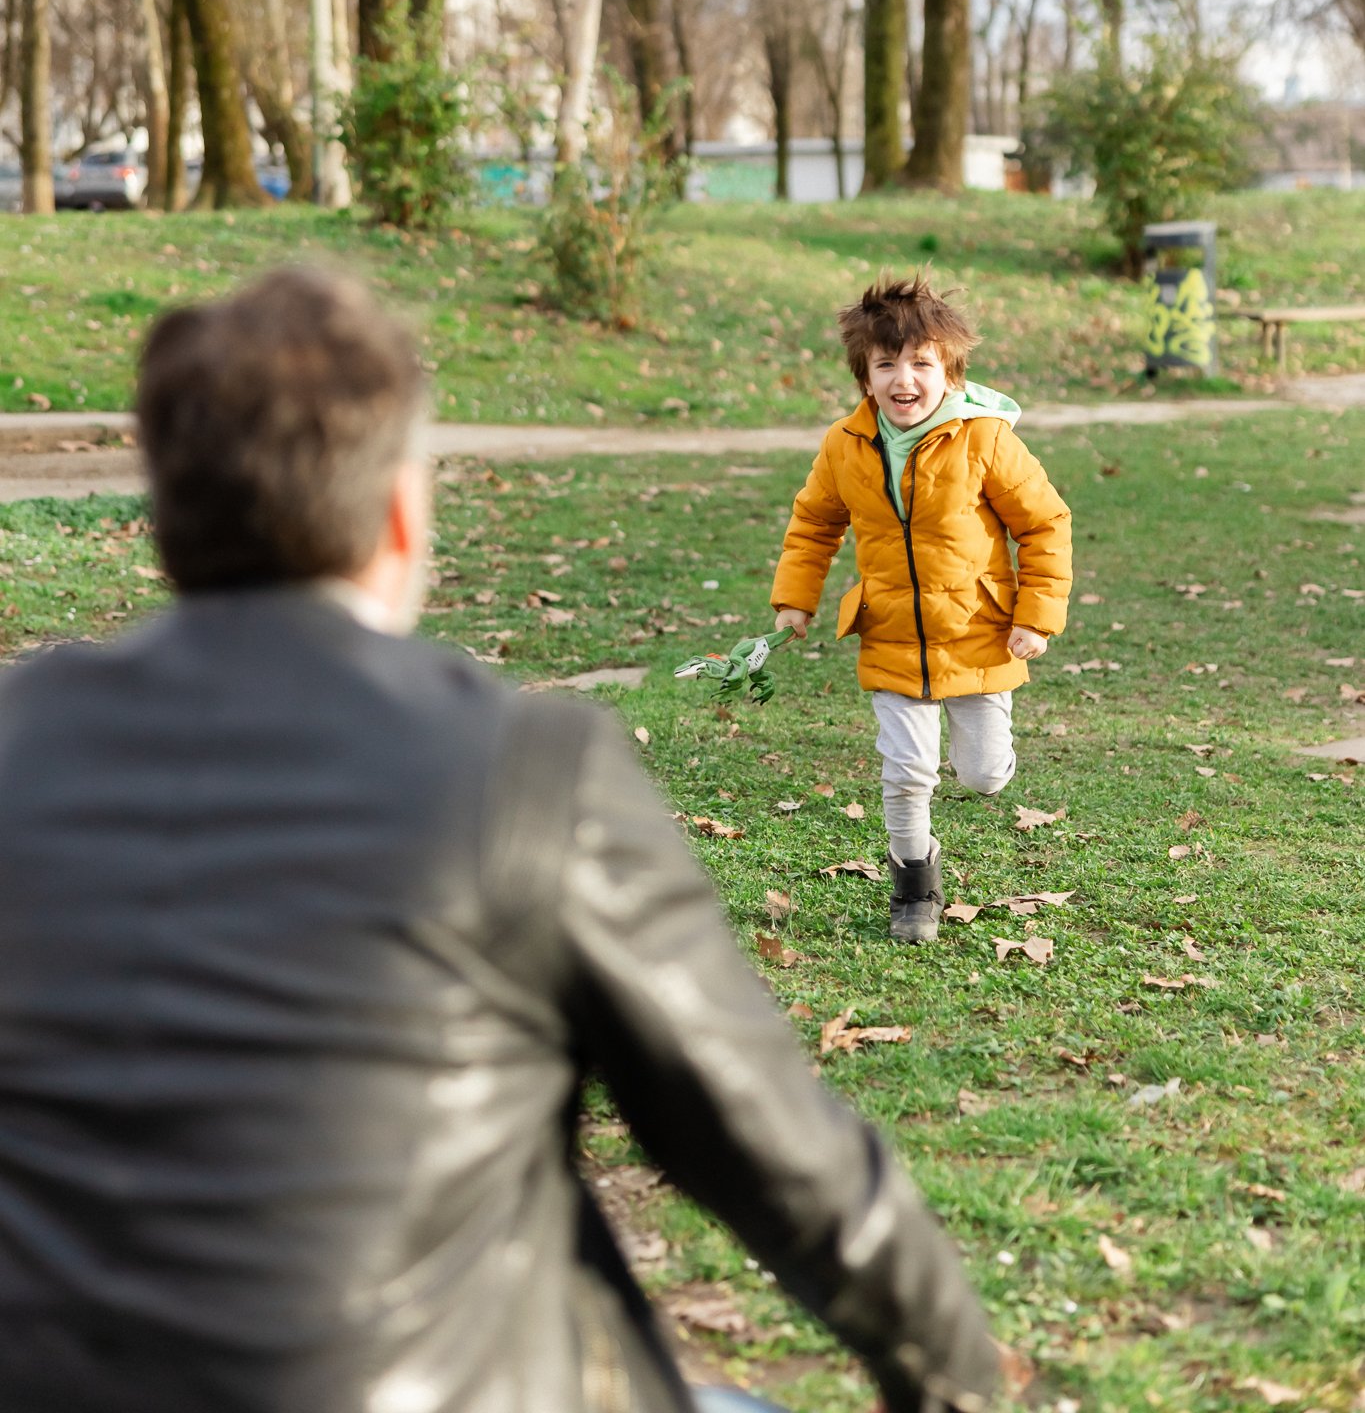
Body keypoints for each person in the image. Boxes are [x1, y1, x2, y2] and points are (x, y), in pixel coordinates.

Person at [0, 266, 1000, 1413]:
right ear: (398, 514)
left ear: (165, 524)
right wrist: (947, 1380)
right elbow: (779, 1154)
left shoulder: (17, 738)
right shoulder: (529, 769)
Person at [771, 273, 1072, 945]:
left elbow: (1044, 524)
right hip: (890, 633)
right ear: (864, 377)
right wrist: (795, 599)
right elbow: (814, 523)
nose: (903, 379)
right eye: (885, 366)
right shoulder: (843, 446)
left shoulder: (985, 440)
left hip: (978, 632)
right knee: (906, 773)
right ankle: (913, 885)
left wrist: (1034, 614)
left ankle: (976, 775)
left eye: (920, 364)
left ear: (950, 372)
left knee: (983, 775)